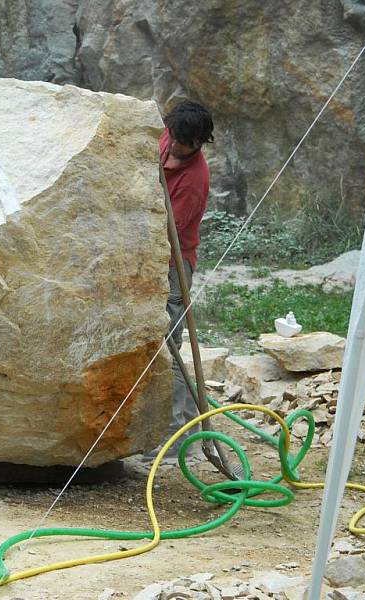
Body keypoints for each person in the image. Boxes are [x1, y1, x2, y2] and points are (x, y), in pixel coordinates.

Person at [159, 100, 213, 456]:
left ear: (199, 142)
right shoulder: (166, 137)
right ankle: (190, 417)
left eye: (183, 143)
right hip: (148, 257)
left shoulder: (195, 180)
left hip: (175, 263)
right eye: (173, 138)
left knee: (169, 347)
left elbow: (169, 232)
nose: (174, 146)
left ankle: (178, 434)